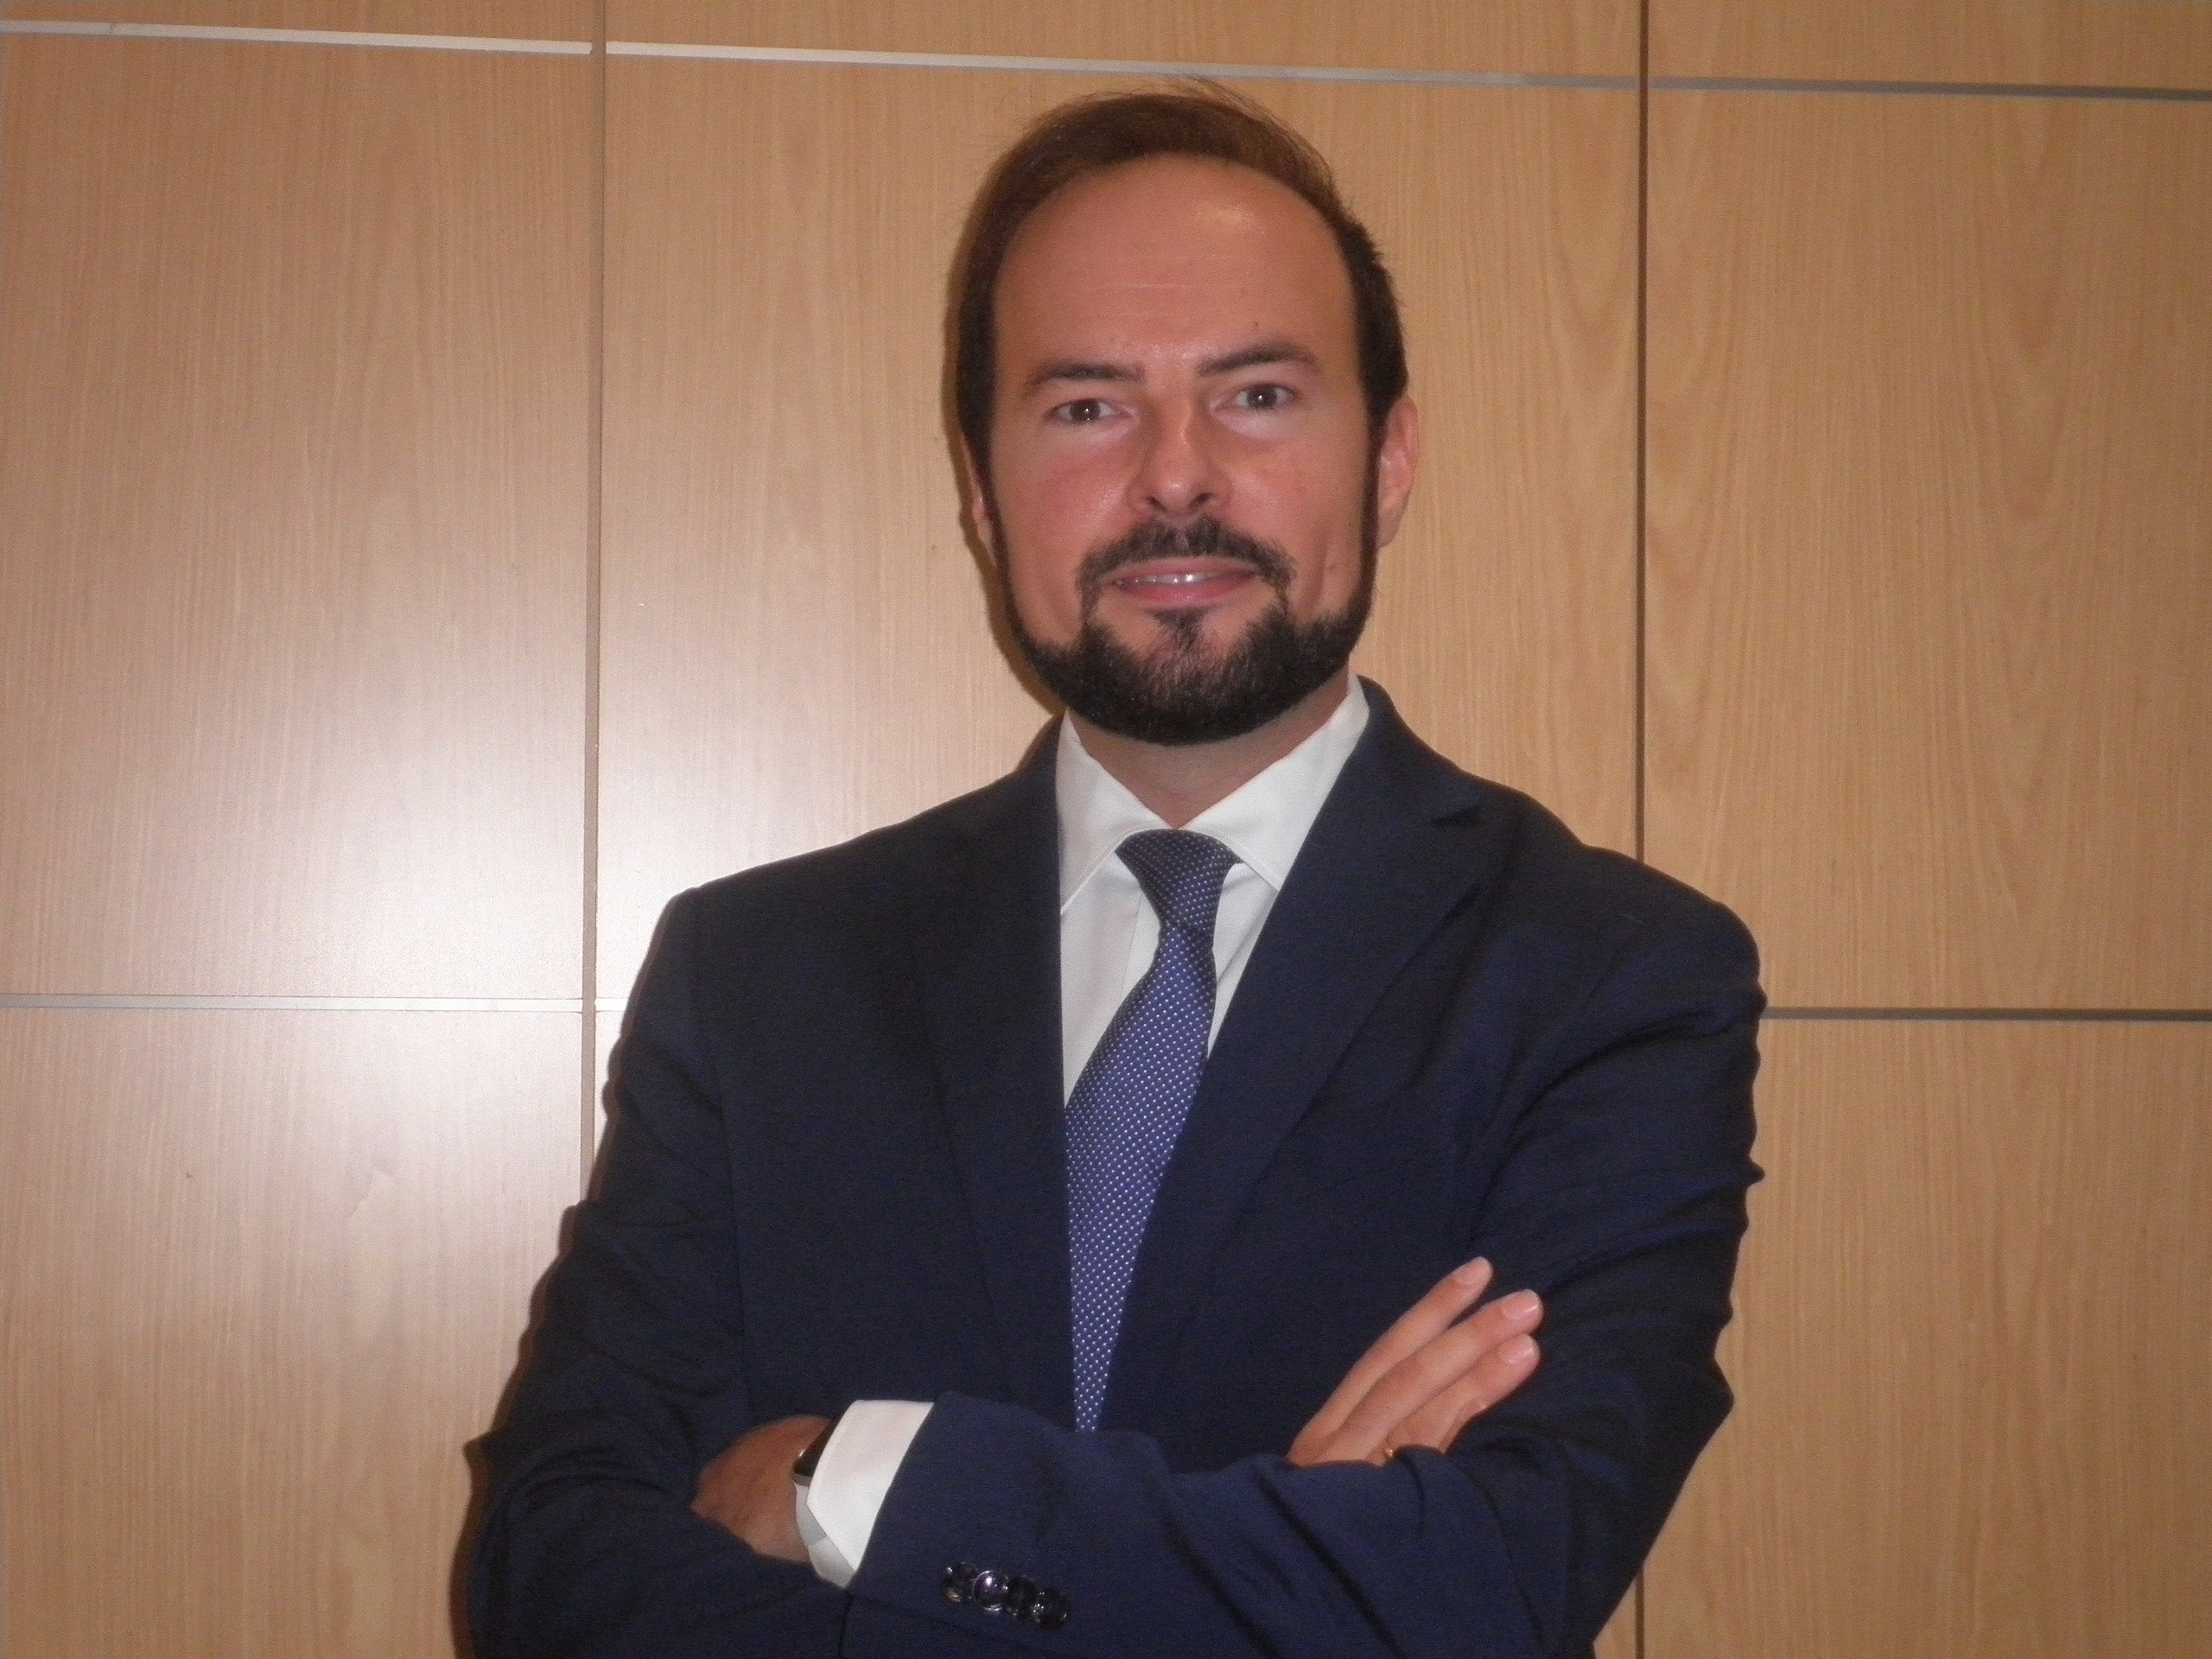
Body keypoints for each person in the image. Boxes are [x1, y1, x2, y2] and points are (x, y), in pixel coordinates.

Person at [470, 86, 1761, 1659]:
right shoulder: (757, 977)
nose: (1175, 478)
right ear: (978, 488)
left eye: (1259, 396)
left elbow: (1488, 1585)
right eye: (1088, 407)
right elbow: (552, 1575)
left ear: (1390, 460)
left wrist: (856, 1481)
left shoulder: (1609, 979)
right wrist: (1287, 1570)